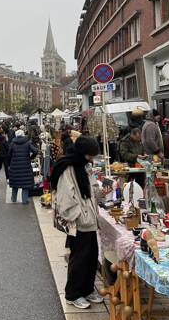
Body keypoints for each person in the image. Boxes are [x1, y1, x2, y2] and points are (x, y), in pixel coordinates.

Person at [50, 136, 103, 309]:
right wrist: (79, 215)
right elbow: (65, 200)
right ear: (82, 153)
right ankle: (73, 294)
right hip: (80, 222)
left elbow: (91, 189)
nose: (91, 159)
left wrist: (100, 191)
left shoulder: (83, 166)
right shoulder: (68, 169)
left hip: (89, 220)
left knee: (91, 258)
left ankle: (87, 289)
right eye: (90, 155)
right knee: (79, 259)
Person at [8, 129, 38, 204]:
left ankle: (13, 198)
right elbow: (36, 151)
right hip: (26, 166)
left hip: (15, 166)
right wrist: (31, 157)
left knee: (15, 183)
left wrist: (11, 162)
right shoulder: (27, 143)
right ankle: (24, 200)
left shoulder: (12, 143)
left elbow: (9, 155)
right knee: (25, 184)